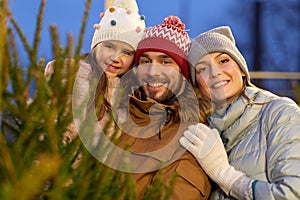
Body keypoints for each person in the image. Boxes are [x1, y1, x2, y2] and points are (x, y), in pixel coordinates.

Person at [179, 26, 300, 199]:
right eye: (202, 69)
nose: (215, 73)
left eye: (223, 61)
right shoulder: (203, 131)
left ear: (242, 69)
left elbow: (292, 194)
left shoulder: (280, 113)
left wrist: (226, 176)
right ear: (197, 84)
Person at [103, 16, 211, 200]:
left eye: (165, 62)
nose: (153, 72)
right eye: (145, 61)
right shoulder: (118, 111)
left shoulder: (191, 134)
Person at [44, 0, 146, 146]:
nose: (115, 58)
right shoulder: (74, 78)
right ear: (96, 46)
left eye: (126, 52)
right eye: (109, 47)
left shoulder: (130, 92)